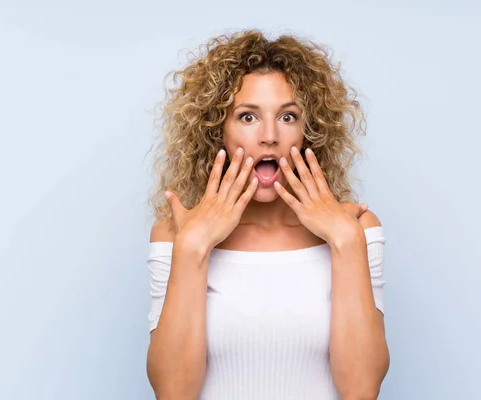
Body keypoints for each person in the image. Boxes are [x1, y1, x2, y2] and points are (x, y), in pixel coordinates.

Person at [145, 29, 389, 400]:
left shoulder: (355, 229)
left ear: (310, 132)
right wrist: (193, 246)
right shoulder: (177, 233)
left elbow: (362, 389)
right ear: (216, 132)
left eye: (288, 116)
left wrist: (343, 241)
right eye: (247, 117)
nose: (270, 136)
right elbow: (172, 392)